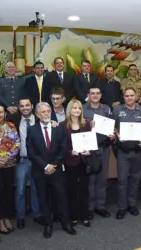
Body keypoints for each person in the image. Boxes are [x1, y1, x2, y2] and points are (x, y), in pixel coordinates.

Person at [26, 102, 76, 238]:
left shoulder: (58, 128)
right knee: (43, 198)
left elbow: (63, 147)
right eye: (43, 112)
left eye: (48, 111)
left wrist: (54, 164)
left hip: (57, 169)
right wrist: (45, 166)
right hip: (39, 170)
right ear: (37, 114)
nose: (46, 114)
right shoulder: (32, 130)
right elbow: (31, 151)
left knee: (61, 196)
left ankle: (66, 223)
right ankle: (48, 224)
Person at [7, 98, 44, 230]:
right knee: (20, 190)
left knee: (36, 188)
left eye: (27, 105)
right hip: (22, 161)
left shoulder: (40, 119)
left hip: (38, 161)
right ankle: (20, 217)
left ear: (32, 106)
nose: (25, 108)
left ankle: (37, 214)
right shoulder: (13, 121)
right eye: (21, 106)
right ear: (18, 107)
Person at [113, 87, 141, 219]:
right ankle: (122, 206)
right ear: (123, 97)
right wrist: (116, 134)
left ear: (136, 96)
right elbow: (114, 128)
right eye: (126, 96)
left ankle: (132, 204)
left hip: (138, 150)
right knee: (122, 180)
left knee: (135, 179)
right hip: (123, 151)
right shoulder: (117, 110)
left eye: (131, 95)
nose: (129, 98)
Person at [83, 86, 114, 219]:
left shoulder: (106, 109)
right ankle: (89, 207)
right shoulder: (82, 109)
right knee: (90, 179)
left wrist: (112, 135)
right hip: (89, 149)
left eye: (97, 93)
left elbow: (112, 126)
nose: (95, 95)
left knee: (102, 178)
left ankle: (100, 206)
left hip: (104, 147)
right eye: (92, 93)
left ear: (100, 95)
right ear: (88, 95)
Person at [0, 104, 20, 233]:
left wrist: (7, 157)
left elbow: (17, 144)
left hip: (9, 164)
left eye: (1, 112)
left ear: (5, 114)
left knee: (8, 191)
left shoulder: (11, 126)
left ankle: (7, 217)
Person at [64, 99, 92, 227]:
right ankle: (74, 216)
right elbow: (61, 146)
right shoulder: (62, 125)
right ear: (69, 110)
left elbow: (90, 142)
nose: (77, 110)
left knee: (84, 189)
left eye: (79, 108)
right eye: (74, 108)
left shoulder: (86, 124)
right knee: (71, 190)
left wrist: (89, 151)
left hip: (84, 161)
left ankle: (84, 216)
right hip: (70, 162)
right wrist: (71, 152)